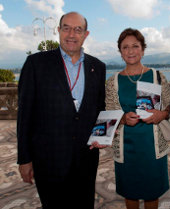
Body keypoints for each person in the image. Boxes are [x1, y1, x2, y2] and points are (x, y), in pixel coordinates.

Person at [17, 12, 106, 209]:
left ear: (86, 34)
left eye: (78, 29)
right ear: (58, 31)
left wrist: (103, 135)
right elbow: (24, 116)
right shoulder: (36, 64)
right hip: (48, 161)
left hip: (86, 160)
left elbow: (100, 109)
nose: (71, 34)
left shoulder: (98, 67)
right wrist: (24, 159)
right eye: (66, 28)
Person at [105, 28, 170, 209]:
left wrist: (161, 114)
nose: (130, 51)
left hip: (153, 146)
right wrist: (124, 119)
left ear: (143, 49)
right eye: (125, 47)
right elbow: (109, 115)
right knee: (130, 193)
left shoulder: (157, 76)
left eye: (135, 46)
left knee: (152, 193)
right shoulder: (113, 81)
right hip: (126, 149)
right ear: (120, 52)